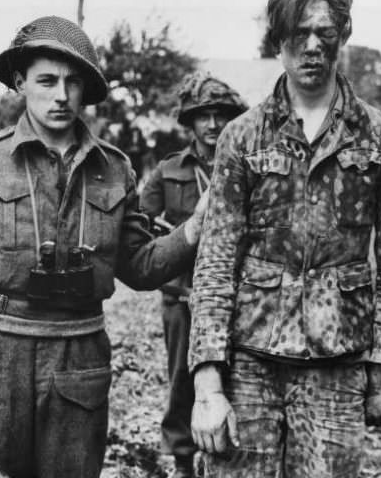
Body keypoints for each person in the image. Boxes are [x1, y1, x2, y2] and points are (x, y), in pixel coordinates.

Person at [0, 15, 207, 478]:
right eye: (46, 80)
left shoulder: (115, 170)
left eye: (73, 83)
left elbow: (140, 266)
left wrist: (194, 229)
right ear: (20, 82)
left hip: (77, 365)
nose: (61, 95)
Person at [188, 0, 381, 477]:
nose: (313, 46)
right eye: (300, 33)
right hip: (250, 364)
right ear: (279, 39)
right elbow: (214, 261)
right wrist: (208, 384)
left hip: (338, 369)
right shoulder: (242, 136)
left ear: (343, 36)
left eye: (326, 33)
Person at [140, 73, 247, 478]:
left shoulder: (245, 166)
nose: (213, 125)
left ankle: (230, 457)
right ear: (190, 121)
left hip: (235, 297)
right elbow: (137, 226)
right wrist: (174, 238)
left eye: (221, 115)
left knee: (235, 379)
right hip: (182, 296)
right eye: (203, 116)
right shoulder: (169, 171)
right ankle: (183, 460)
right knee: (182, 381)